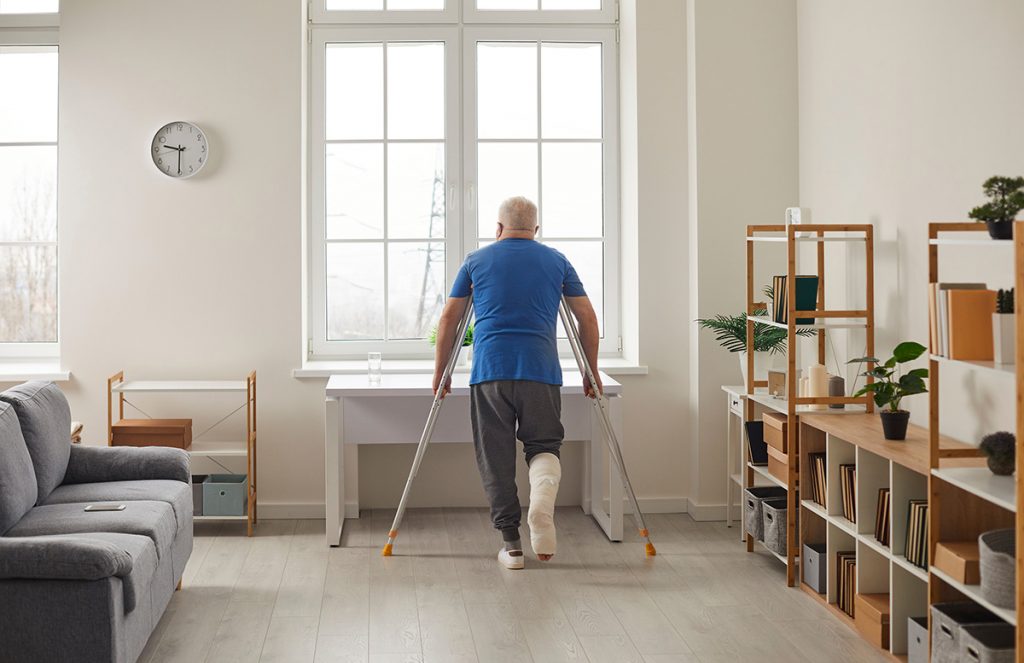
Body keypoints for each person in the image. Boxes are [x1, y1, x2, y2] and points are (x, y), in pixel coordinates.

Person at [432, 196, 602, 570]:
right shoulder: (556, 261)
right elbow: (586, 319)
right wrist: (591, 371)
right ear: (535, 230)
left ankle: (511, 547)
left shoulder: (476, 261)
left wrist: (440, 372)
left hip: (490, 372)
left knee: (496, 457)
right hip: (540, 372)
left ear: (498, 228)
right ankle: (541, 503)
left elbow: (449, 319)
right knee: (543, 444)